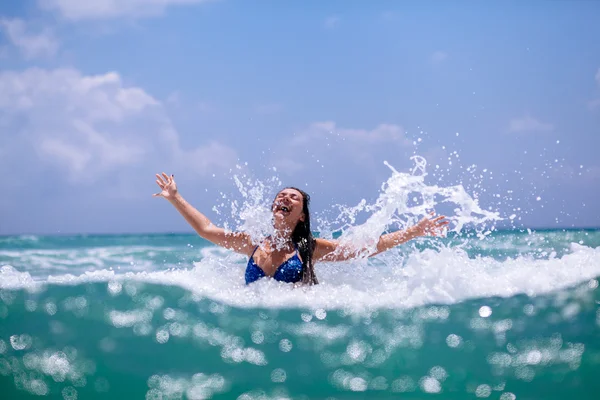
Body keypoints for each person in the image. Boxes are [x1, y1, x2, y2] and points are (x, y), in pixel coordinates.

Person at [153, 172, 448, 286]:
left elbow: (366, 249)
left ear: (302, 216)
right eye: (281, 195)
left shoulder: (309, 247)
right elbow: (206, 229)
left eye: (293, 197)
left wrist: (415, 230)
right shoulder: (252, 243)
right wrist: (175, 197)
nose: (284, 198)